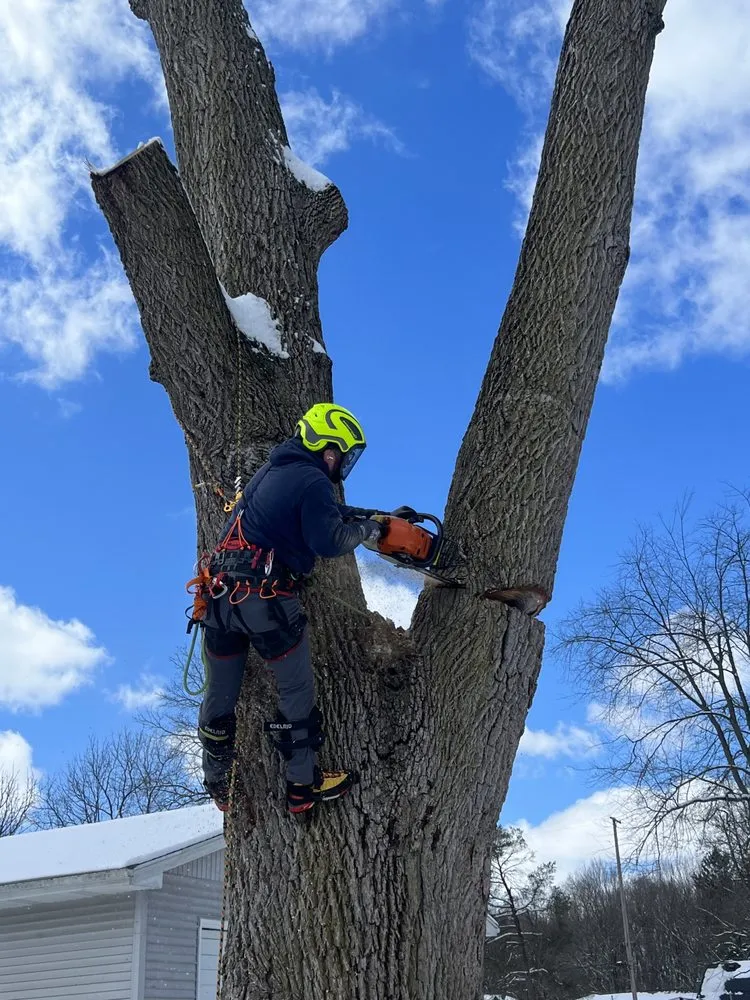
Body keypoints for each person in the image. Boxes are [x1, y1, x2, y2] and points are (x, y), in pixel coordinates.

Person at [197, 403, 386, 815]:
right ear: (329, 448)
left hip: (219, 598)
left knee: (220, 693)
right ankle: (302, 787)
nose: (342, 465)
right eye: (343, 455)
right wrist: (367, 530)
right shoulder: (314, 481)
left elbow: (300, 514)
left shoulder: (270, 471)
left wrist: (361, 513)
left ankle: (218, 783)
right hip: (266, 601)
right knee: (296, 690)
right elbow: (329, 540)